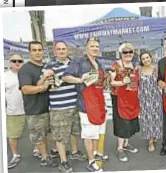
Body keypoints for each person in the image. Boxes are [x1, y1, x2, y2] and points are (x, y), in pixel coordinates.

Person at [63, 37, 108, 172]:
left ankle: (95, 154)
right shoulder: (79, 61)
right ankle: (91, 161)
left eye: (96, 46)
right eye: (92, 46)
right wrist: (80, 79)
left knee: (97, 132)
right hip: (86, 104)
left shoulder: (98, 63)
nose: (95, 48)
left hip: (99, 102)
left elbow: (100, 83)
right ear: (86, 47)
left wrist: (106, 80)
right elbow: (66, 76)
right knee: (89, 134)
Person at [43, 41, 87, 172]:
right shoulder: (49, 66)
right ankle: (63, 161)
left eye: (63, 49)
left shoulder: (74, 64)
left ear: (67, 50)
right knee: (60, 136)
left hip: (75, 104)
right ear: (54, 51)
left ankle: (74, 152)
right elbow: (45, 85)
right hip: (59, 107)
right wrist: (47, 79)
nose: (61, 51)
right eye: (58, 49)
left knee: (74, 131)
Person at [18, 41, 58, 167]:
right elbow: (25, 89)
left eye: (39, 50)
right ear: (29, 52)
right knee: (39, 136)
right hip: (35, 110)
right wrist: (43, 87)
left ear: (43, 51)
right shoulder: (25, 69)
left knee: (50, 133)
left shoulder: (46, 66)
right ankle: (45, 158)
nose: (37, 52)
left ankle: (54, 151)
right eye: (34, 50)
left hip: (49, 107)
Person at [109, 43, 140, 162]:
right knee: (122, 122)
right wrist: (122, 82)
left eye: (130, 52)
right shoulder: (115, 66)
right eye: (125, 52)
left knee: (130, 121)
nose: (128, 54)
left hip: (131, 98)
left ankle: (126, 144)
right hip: (119, 98)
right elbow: (111, 83)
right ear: (121, 54)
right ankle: (120, 148)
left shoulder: (134, 66)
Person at [138, 51, 163, 152]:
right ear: (141, 61)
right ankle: (150, 141)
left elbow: (161, 82)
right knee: (147, 119)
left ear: (151, 58)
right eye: (143, 59)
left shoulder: (156, 69)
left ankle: (155, 135)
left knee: (156, 118)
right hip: (144, 99)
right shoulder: (139, 70)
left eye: (147, 58)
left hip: (156, 98)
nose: (146, 60)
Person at [5, 54, 25, 169]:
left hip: (30, 109)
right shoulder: (4, 76)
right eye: (14, 61)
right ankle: (15, 155)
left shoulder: (26, 73)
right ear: (10, 63)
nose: (17, 63)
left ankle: (37, 150)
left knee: (36, 133)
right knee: (13, 135)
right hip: (13, 111)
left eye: (20, 61)